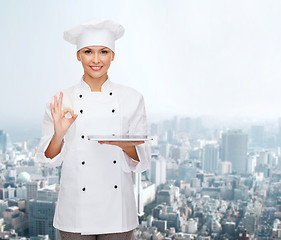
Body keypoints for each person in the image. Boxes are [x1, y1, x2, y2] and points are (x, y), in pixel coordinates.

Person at [35, 18, 151, 240]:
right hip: (75, 212)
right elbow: (47, 159)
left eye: (104, 52)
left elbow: (143, 160)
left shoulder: (133, 99)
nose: (96, 60)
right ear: (78, 55)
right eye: (88, 52)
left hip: (117, 212)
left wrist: (126, 146)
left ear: (113, 56)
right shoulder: (61, 100)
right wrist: (59, 134)